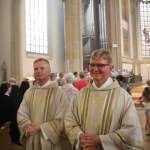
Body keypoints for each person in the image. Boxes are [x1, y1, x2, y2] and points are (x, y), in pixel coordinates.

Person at [65, 49, 143, 150]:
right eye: (92, 65)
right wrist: (80, 136)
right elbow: (70, 120)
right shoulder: (80, 94)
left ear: (111, 68)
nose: (95, 69)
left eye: (100, 65)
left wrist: (101, 140)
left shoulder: (123, 97)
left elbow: (131, 130)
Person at [17, 58, 68, 150]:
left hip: (49, 140)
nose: (38, 71)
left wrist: (41, 127)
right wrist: (28, 126)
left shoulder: (58, 93)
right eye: (36, 69)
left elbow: (63, 118)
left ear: (49, 71)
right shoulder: (29, 92)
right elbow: (22, 113)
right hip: (32, 137)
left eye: (42, 68)